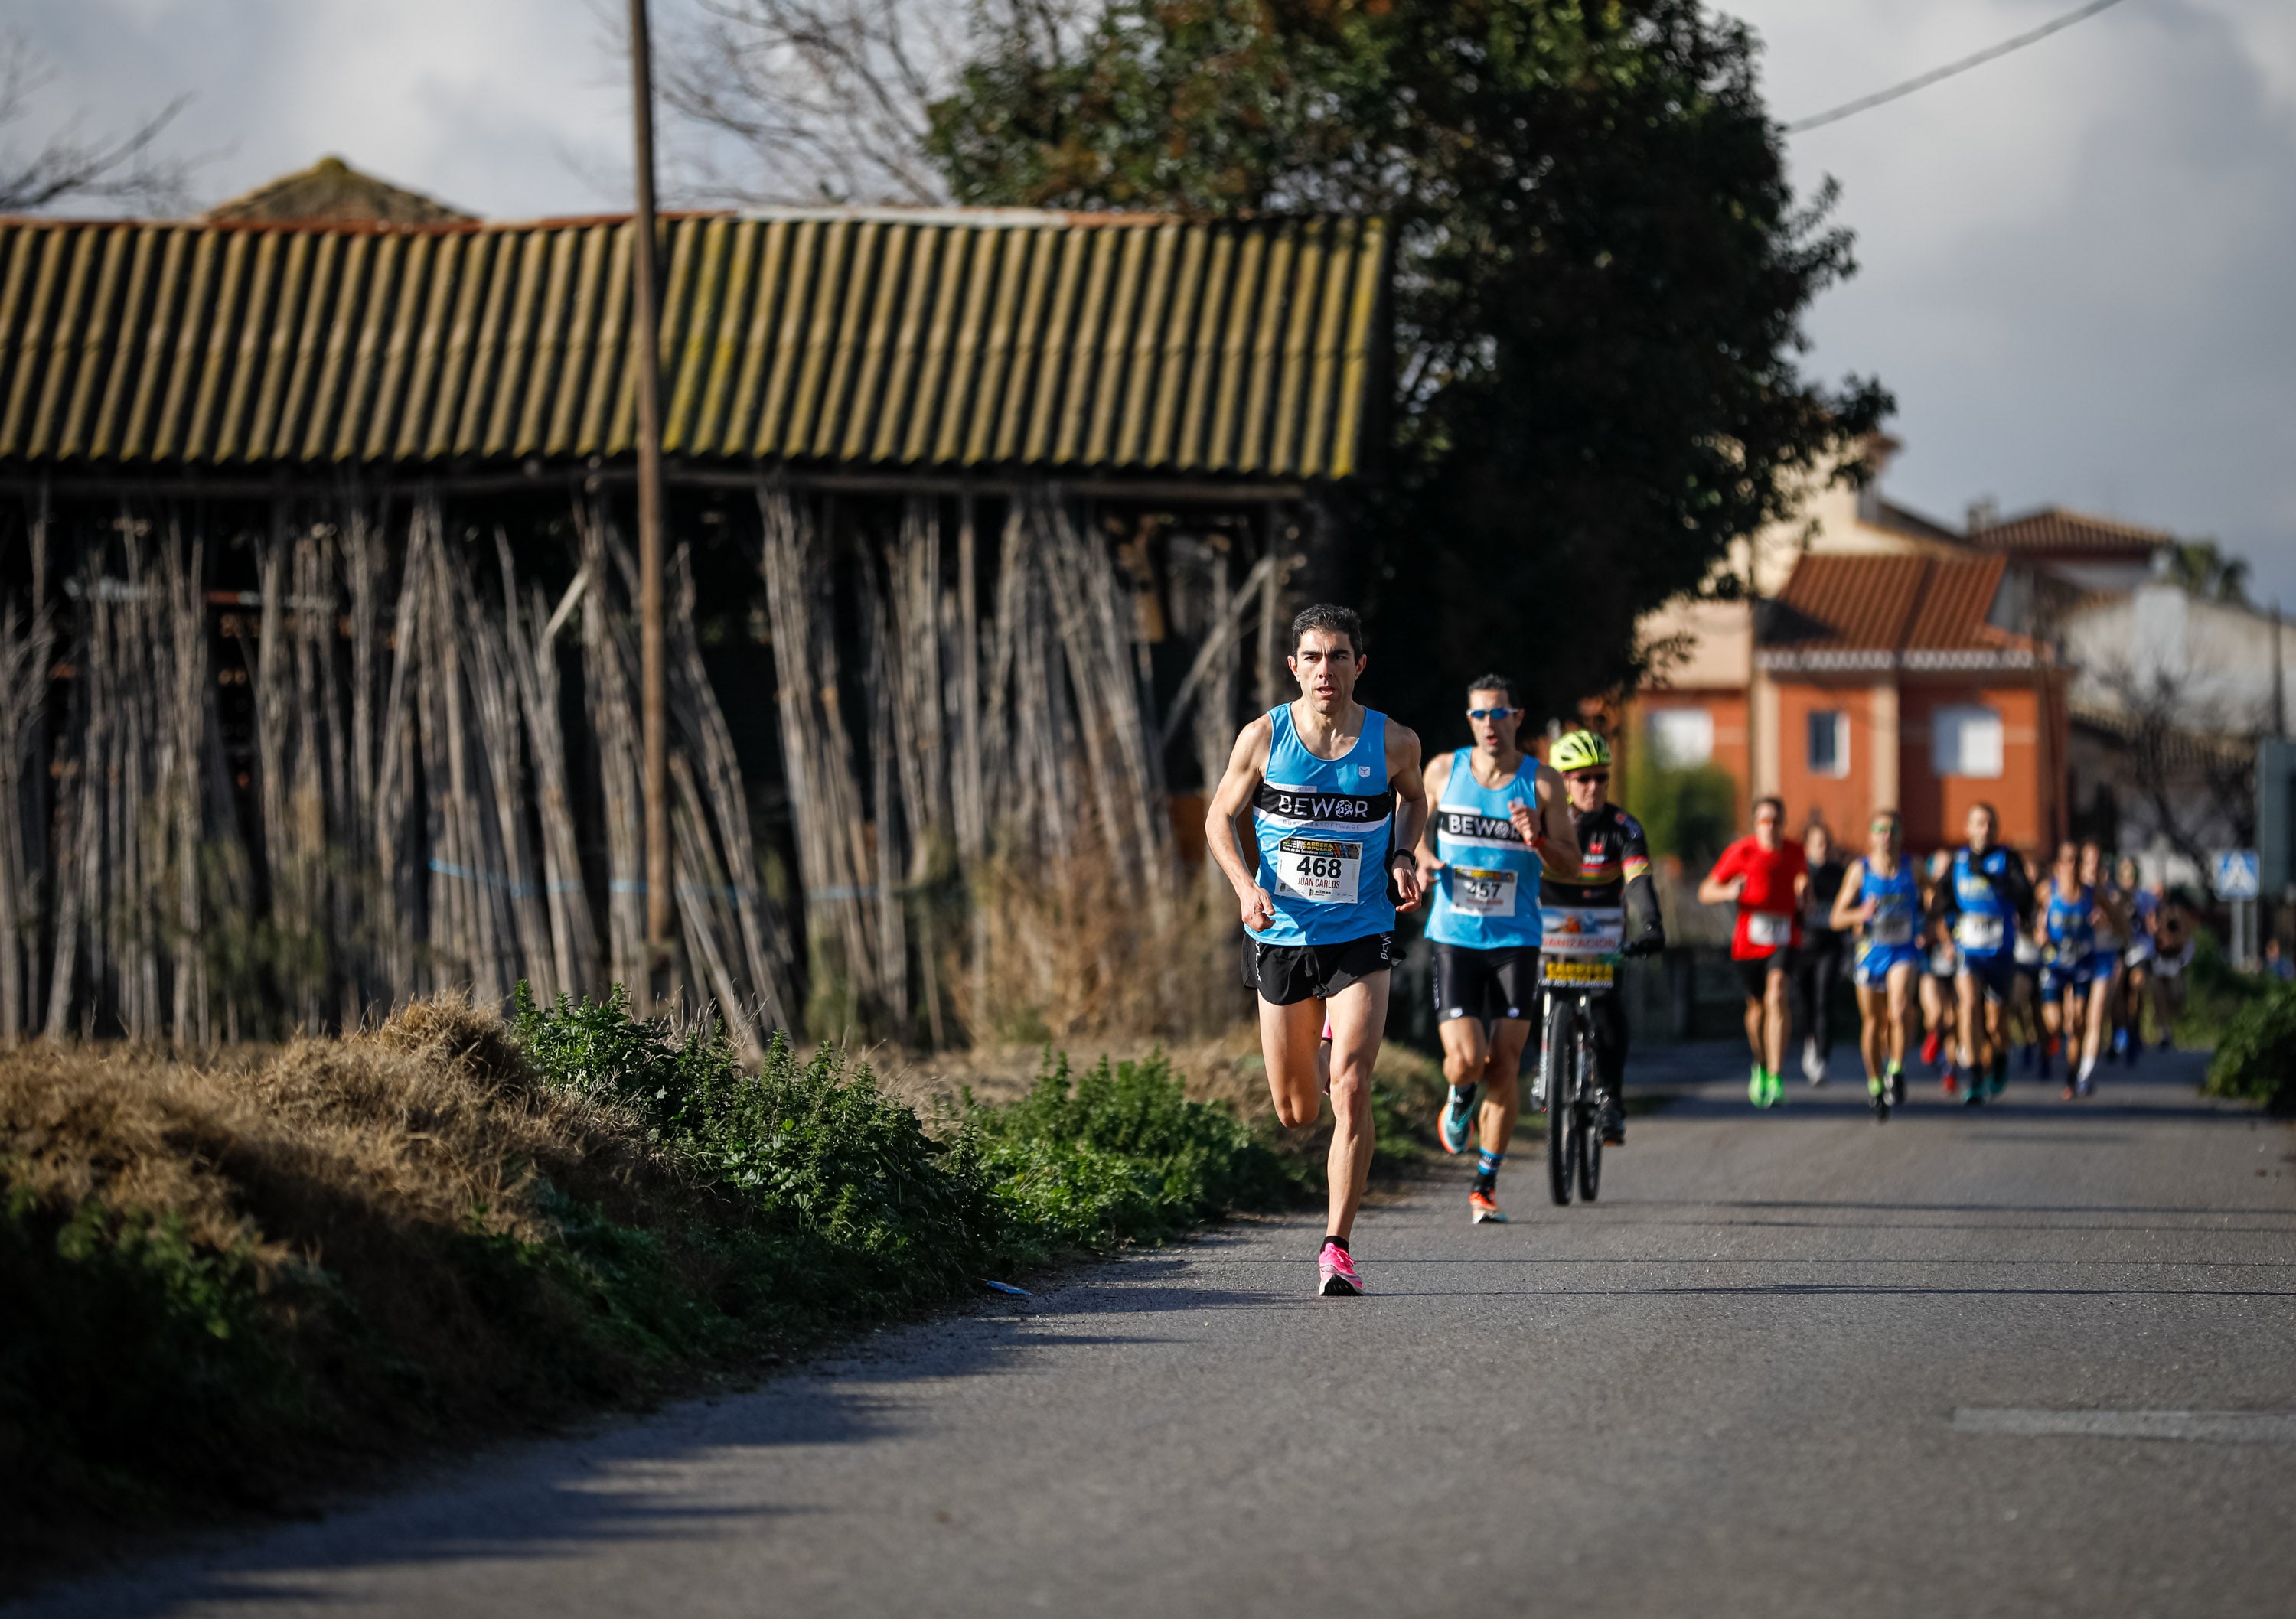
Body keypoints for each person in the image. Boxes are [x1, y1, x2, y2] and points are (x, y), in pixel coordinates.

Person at [1205, 604, 1427, 1296]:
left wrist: (1400, 853)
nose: (1325, 669)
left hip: (1360, 932)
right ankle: (1326, 1044)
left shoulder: (1393, 743)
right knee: (1296, 1111)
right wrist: (1244, 886)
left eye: (1338, 656)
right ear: (1293, 666)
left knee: (1354, 1087)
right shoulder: (1264, 738)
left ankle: (1337, 1247)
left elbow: (1414, 802)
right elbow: (1219, 818)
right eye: (1313, 656)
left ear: (1359, 665)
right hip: (1282, 935)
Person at [1414, 677, 1580, 1224]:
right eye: (1481, 715)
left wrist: (1537, 839)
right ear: (1470, 720)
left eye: (1500, 714)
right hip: (1456, 936)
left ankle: (1485, 1182)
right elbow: (1408, 820)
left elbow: (1571, 864)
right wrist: (1419, 856)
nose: (1490, 724)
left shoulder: (1545, 783)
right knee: (1466, 1060)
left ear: (1517, 717)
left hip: (1517, 940)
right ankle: (1459, 1098)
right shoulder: (1443, 770)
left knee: (1505, 1063)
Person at [1537, 728, 1665, 1144]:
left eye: (1601, 778)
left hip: (1601, 938)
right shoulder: (1542, 823)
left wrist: (1652, 925)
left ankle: (1611, 1096)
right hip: (1548, 932)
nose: (1594, 786)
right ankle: (1542, 1067)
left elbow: (1639, 880)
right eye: (1582, 778)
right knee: (1523, 993)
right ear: (1562, 782)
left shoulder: (1623, 828)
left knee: (1608, 1006)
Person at [1698, 796, 1805, 1107]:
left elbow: (1803, 882)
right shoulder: (1741, 852)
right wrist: (1729, 890)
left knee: (1777, 994)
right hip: (1748, 944)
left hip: (1784, 938)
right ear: (1755, 824)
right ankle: (1759, 1063)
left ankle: (1776, 1075)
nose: (1770, 827)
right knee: (1757, 1008)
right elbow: (1705, 891)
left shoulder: (1795, 851)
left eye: (1776, 821)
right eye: (1764, 821)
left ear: (1783, 825)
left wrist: (1804, 892)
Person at [1939, 803, 2033, 1104]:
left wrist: (1992, 879)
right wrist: (1932, 924)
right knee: (1967, 1006)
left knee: (1995, 1024)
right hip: (1968, 950)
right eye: (1979, 824)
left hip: (2000, 951)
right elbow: (1942, 900)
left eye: (1990, 824)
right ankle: (1976, 1075)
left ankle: (2001, 1058)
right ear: (1967, 829)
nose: (1985, 829)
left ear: (1997, 828)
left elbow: (2024, 896)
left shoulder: (2009, 859)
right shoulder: (1959, 861)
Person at [1831, 809, 1923, 1118]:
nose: (1887, 836)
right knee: (1872, 1023)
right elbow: (1836, 917)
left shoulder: (1914, 867)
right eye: (1880, 830)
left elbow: (1935, 892)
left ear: (1901, 835)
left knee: (1898, 1008)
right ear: (1871, 836)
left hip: (1903, 952)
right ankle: (1875, 1085)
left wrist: (1933, 909)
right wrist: (1860, 915)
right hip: (1871, 954)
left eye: (1892, 830)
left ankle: (1895, 1070)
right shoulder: (1860, 871)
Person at [2033, 841, 2099, 1098]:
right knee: (2055, 1023)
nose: (2072, 866)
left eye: (2077, 861)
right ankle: (2052, 1043)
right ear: (2058, 866)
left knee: (2079, 1020)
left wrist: (2106, 924)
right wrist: (2039, 929)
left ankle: (2072, 1075)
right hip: (2055, 964)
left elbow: (2117, 919)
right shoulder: (2047, 891)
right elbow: (2034, 915)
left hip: (2082, 964)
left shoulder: (2092, 893)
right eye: (2068, 860)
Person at [1793, 820, 1848, 1086]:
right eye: (1817, 844)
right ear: (1807, 847)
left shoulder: (1840, 873)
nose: (1822, 849)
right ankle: (1809, 1044)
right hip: (1805, 946)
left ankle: (1822, 1058)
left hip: (1831, 944)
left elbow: (1851, 903)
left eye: (1826, 844)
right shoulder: (1799, 874)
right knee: (1806, 1002)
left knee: (1824, 999)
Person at [1919, 849, 1958, 1081]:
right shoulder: (1920, 896)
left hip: (1954, 965)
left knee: (1952, 1019)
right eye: (1939, 867)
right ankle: (1934, 1037)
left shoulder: (1957, 898)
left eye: (1948, 867)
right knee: (1935, 1015)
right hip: (1929, 964)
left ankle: (1950, 1071)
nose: (1944, 872)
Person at [2118, 855, 2156, 1060]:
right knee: (2118, 997)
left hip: (2140, 950)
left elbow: (2152, 925)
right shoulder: (2113, 896)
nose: (2128, 878)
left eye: (2131, 874)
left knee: (2137, 986)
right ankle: (2120, 1029)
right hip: (2120, 950)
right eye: (2124, 873)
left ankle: (2135, 1031)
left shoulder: (2145, 898)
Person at [2149, 881, 2193, 1047]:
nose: (2157, 898)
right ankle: (2164, 1033)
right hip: (2157, 964)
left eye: (2159, 894)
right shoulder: (2149, 914)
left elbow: (2187, 939)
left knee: (2175, 998)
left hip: (2174, 964)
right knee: (2158, 996)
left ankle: (2180, 1029)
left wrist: (2183, 961)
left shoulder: (2176, 914)